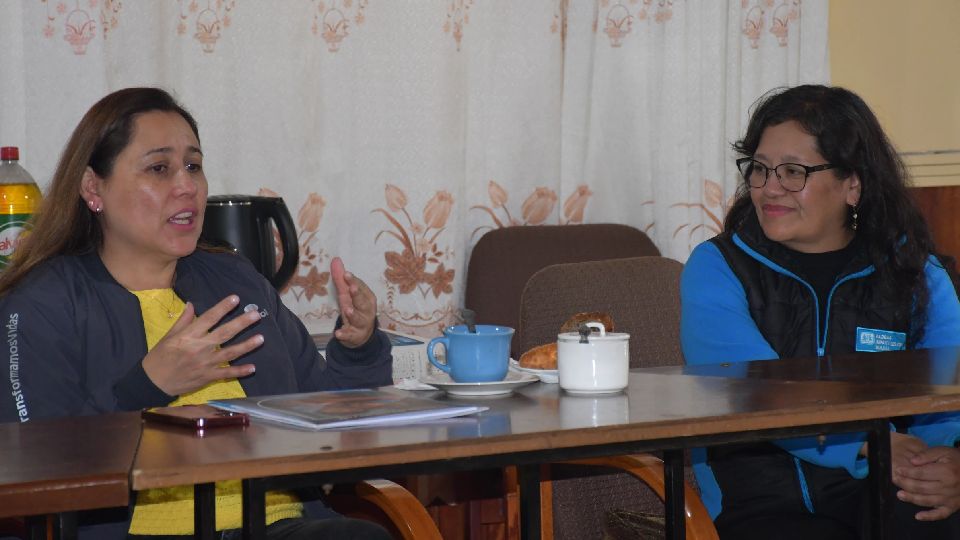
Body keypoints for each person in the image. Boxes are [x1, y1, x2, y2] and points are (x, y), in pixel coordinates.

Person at [0, 87, 393, 540]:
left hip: (276, 525)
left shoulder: (235, 281)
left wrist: (359, 348)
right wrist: (147, 386)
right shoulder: (43, 303)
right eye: (159, 168)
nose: (186, 186)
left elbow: (334, 423)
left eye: (193, 166)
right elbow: (36, 462)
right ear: (93, 188)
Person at [681, 85, 960, 539]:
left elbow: (949, 391)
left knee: (930, 515)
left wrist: (948, 464)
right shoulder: (717, 267)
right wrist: (870, 442)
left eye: (794, 171)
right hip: (760, 502)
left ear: (853, 184)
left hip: (884, 482)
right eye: (760, 168)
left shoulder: (916, 272)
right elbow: (751, 391)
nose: (769, 188)